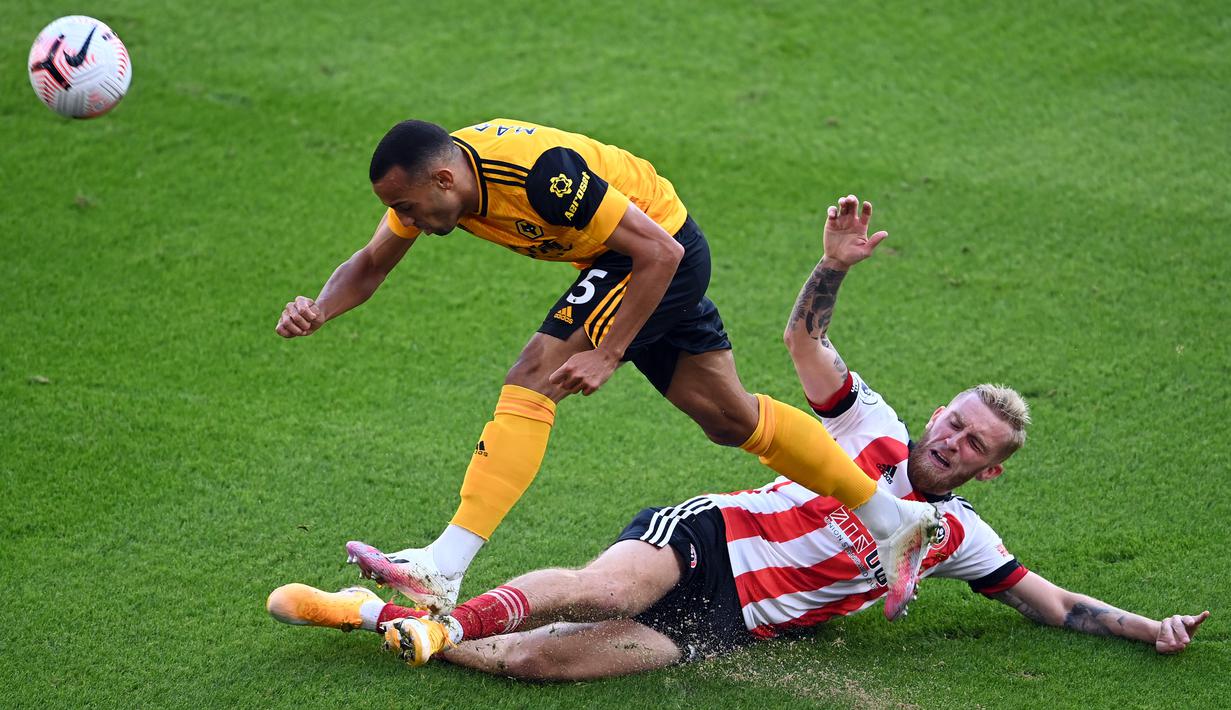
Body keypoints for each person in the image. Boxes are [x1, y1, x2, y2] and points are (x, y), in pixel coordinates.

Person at [267, 195, 1211, 678]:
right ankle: (446, 609)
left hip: (732, 624)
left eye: (974, 447)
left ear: (990, 473)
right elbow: (806, 341)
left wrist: (1146, 629)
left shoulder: (963, 540)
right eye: (955, 422)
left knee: (542, 663)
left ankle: (377, 615)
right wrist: (830, 265)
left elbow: (1052, 605)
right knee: (600, 590)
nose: (956, 441)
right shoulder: (869, 425)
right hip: (705, 538)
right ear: (935, 417)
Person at [275, 119, 937, 616]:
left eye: (413, 208)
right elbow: (368, 264)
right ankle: (890, 518)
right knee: (729, 417)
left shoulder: (540, 176)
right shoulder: (432, 184)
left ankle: (441, 566)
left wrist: (608, 349)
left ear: (443, 180)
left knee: (533, 374)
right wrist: (320, 308)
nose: (406, 219)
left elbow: (659, 252)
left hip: (657, 251)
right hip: (619, 258)